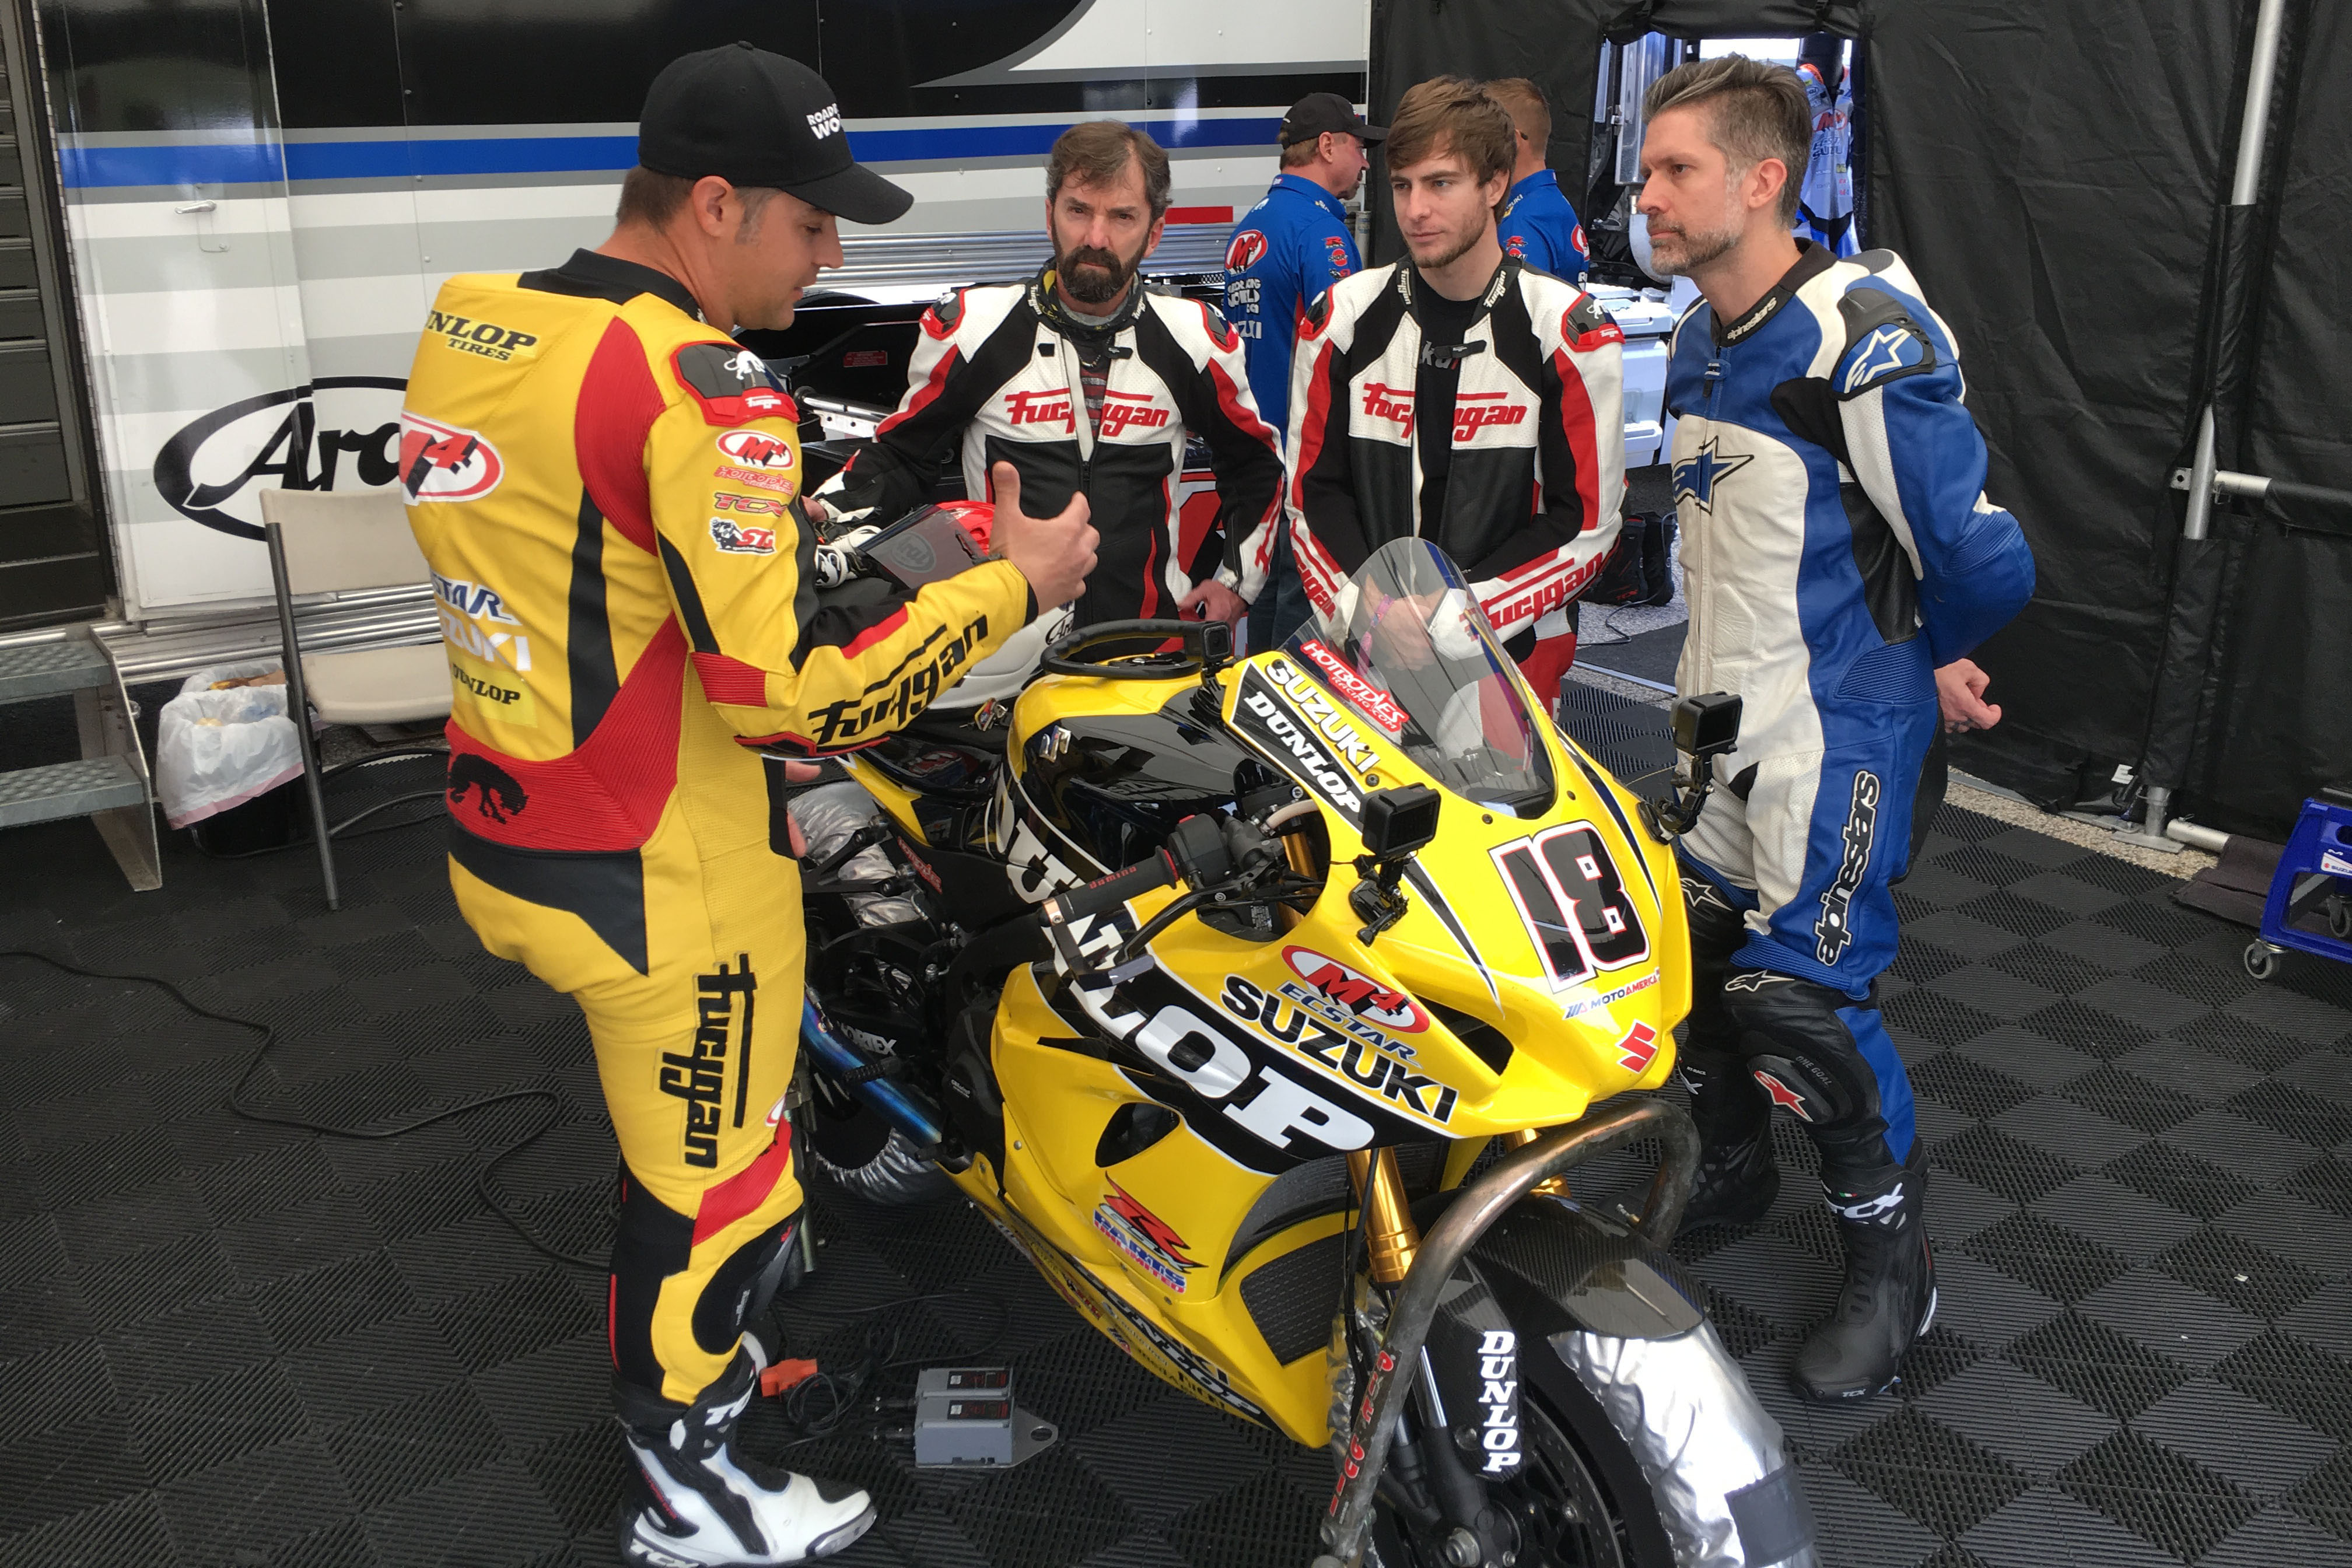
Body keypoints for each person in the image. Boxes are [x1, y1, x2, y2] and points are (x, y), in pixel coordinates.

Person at [400, 43, 1097, 1567]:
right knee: (713, 1186)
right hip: (663, 876)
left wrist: (857, 556)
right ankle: (692, 1490)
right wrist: (1015, 587)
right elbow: (791, 700)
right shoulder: (705, 391)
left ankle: (717, 1362)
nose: (830, 252)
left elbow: (604, 563)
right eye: (811, 219)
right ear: (714, 205)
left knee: (700, 1147)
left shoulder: (474, 322)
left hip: (507, 818)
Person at [1636, 55, 2034, 1403]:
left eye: (1677, 169)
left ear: (1765, 179)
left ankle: (1893, 1268)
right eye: (1647, 169)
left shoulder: (1861, 332)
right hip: (1712, 721)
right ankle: (1735, 1170)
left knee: (1796, 999)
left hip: (1838, 732)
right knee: (1681, 955)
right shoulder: (1696, 337)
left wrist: (1924, 656)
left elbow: (1980, 556)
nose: (1649, 196)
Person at [814, 120, 1284, 633]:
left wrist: (1237, 584)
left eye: (1122, 216)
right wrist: (826, 510)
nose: (1096, 238)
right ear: (1049, 216)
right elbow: (901, 457)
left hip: (1147, 645)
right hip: (1004, 645)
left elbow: (1255, 463)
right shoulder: (974, 329)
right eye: (1078, 211)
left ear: (1154, 234)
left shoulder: (1195, 339)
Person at [1286, 76, 1625, 714]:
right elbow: (1311, 496)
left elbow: (1587, 523)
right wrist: (1370, 610)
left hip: (1510, 665)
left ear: (1495, 184)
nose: (1415, 210)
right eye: (1403, 185)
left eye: (1440, 183)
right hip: (1367, 656)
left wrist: (1452, 619)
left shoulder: (1567, 330)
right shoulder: (1341, 317)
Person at [1224, 92, 1385, 652]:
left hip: (1254, 444)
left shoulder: (1252, 226)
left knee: (1262, 590)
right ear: (1327, 146)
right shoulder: (1320, 231)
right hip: (1303, 451)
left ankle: (1255, 696)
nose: (1366, 163)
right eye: (1360, 148)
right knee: (1303, 601)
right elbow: (1347, 346)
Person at [1486, 78, 1590, 286]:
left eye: (1483, 138)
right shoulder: (1550, 204)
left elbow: (1521, 304)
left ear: (1513, 141)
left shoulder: (1523, 219)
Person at [1793, 34, 1859, 257]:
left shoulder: (1854, 84)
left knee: (1845, 267)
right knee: (1804, 268)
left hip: (1842, 198)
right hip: (1802, 202)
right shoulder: (1794, 85)